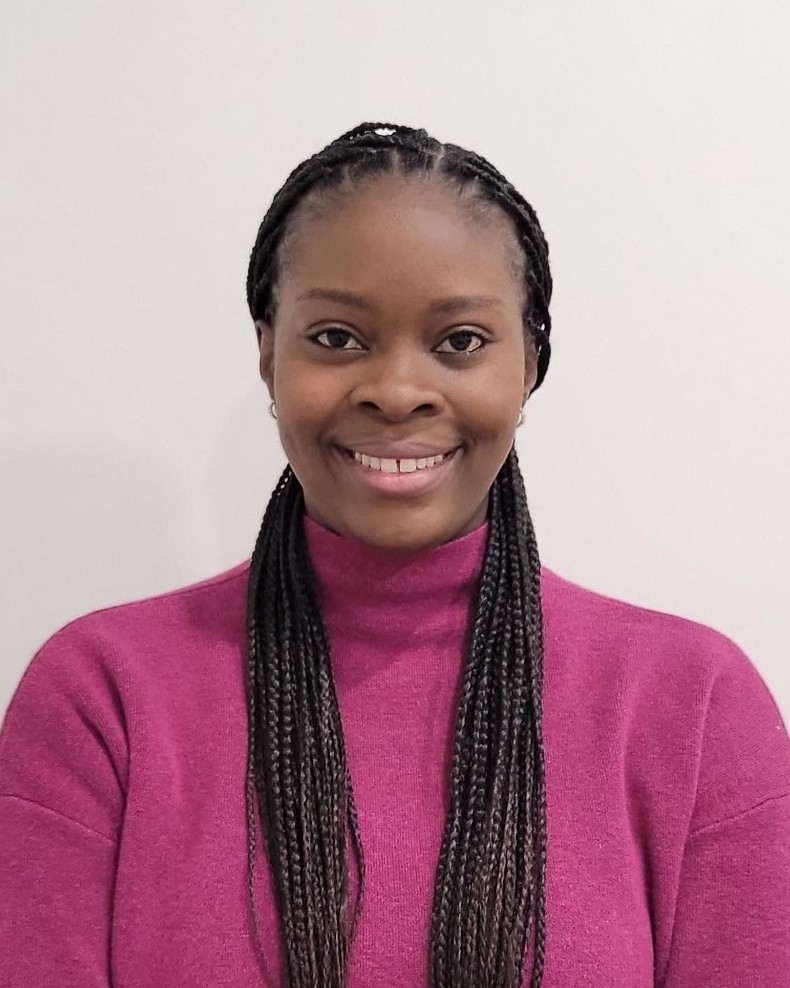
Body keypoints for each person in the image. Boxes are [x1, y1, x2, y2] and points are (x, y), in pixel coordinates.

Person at [0, 122, 788, 988]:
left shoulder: (692, 706)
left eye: (460, 342)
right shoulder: (102, 697)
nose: (398, 391)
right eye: (337, 337)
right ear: (267, 353)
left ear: (530, 364)